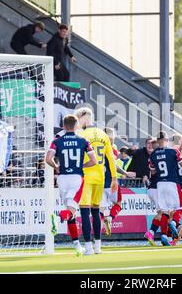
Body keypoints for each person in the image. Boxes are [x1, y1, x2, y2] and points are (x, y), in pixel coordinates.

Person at [46, 115, 97, 256]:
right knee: (70, 211)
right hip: (76, 178)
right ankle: (58, 218)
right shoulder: (84, 141)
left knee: (71, 213)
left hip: (62, 178)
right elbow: (94, 161)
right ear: (76, 126)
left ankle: (77, 246)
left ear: (63, 126)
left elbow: (48, 159)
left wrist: (56, 167)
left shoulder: (57, 141)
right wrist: (82, 165)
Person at [74, 107, 117, 255]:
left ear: (85, 117)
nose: (77, 121)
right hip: (100, 177)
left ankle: (88, 247)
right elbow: (111, 159)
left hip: (85, 177)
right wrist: (114, 179)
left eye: (78, 117)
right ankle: (98, 246)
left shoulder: (81, 134)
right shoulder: (103, 135)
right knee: (96, 210)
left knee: (85, 212)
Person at [149, 131, 182, 246]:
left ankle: (164, 236)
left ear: (158, 140)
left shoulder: (153, 154)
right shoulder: (173, 151)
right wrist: (181, 153)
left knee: (165, 211)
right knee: (180, 208)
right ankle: (174, 224)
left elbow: (153, 170)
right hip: (172, 183)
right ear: (166, 140)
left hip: (160, 184)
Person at [100, 128, 135, 236]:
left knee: (100, 209)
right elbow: (113, 166)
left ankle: (99, 233)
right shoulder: (112, 150)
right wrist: (125, 173)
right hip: (112, 181)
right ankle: (110, 218)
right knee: (118, 204)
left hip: (100, 182)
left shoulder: (97, 148)